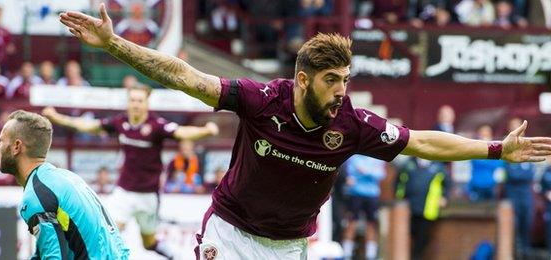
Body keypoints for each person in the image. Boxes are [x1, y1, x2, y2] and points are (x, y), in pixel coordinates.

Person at [58, 5, 551, 258]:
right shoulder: (260, 100)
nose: (341, 90)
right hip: (229, 234)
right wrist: (115, 44)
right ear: (302, 80)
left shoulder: (352, 125)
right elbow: (186, 77)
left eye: (345, 80)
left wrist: (494, 150)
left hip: (290, 245)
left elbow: (421, 140)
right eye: (331, 80)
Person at [42, 84, 219, 259]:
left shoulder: (156, 126)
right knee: (108, 233)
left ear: (147, 103)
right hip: (123, 192)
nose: (135, 104)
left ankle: (177, 256)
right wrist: (57, 118)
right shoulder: (120, 122)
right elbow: (89, 126)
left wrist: (206, 130)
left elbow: (182, 132)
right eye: (132, 100)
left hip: (148, 196)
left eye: (140, 101)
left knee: (148, 243)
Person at [0, 110, 129, 259]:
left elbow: (53, 257)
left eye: (2, 140)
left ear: (16, 147)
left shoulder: (36, 196)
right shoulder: (64, 177)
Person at [395, 157, 450, 260]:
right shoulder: (408, 164)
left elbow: (446, 185)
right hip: (407, 209)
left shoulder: (438, 166)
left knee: (422, 238)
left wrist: (444, 197)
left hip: (428, 209)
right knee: (406, 237)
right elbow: (398, 182)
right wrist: (399, 199)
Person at [341, 155, 386, 260]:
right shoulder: (353, 157)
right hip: (355, 194)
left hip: (372, 196)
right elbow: (350, 174)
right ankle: (346, 254)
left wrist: (366, 172)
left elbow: (381, 174)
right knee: (351, 223)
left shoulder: (377, 157)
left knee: (371, 224)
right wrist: (370, 173)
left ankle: (370, 255)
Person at [502, 117, 534, 254]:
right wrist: (521, 174)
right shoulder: (505, 147)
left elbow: (530, 175)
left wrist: (519, 173)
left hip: (526, 194)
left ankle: (525, 253)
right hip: (512, 194)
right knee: (512, 227)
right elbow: (510, 175)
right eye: (513, 126)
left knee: (527, 224)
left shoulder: (528, 147)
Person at [468, 125, 503, 202]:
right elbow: (475, 161)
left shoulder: (496, 148)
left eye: (487, 134)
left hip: (490, 184)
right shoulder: (474, 148)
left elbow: (498, 164)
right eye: (482, 134)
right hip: (476, 184)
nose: (485, 136)